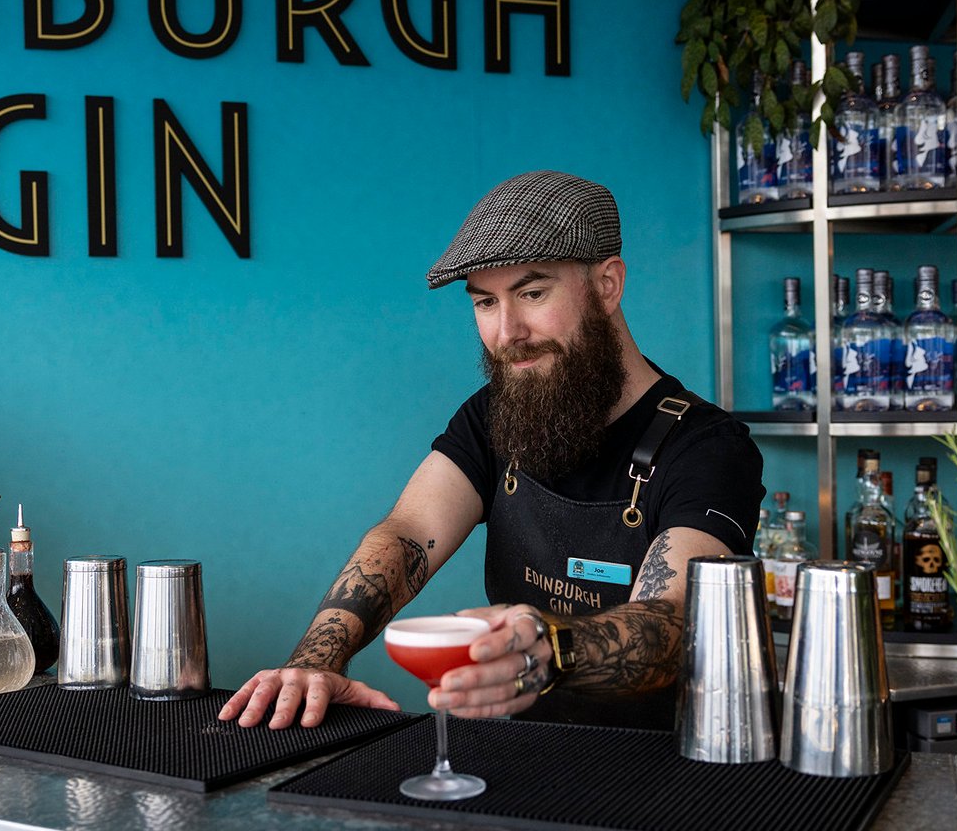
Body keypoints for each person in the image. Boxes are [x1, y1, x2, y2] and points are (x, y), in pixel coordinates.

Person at [220, 171, 765, 731]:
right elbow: (407, 532)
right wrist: (314, 661)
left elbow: (675, 620)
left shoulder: (706, 447)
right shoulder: (495, 414)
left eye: (533, 293)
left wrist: (554, 646)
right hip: (521, 760)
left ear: (606, 285)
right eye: (485, 302)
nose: (508, 332)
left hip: (668, 779)